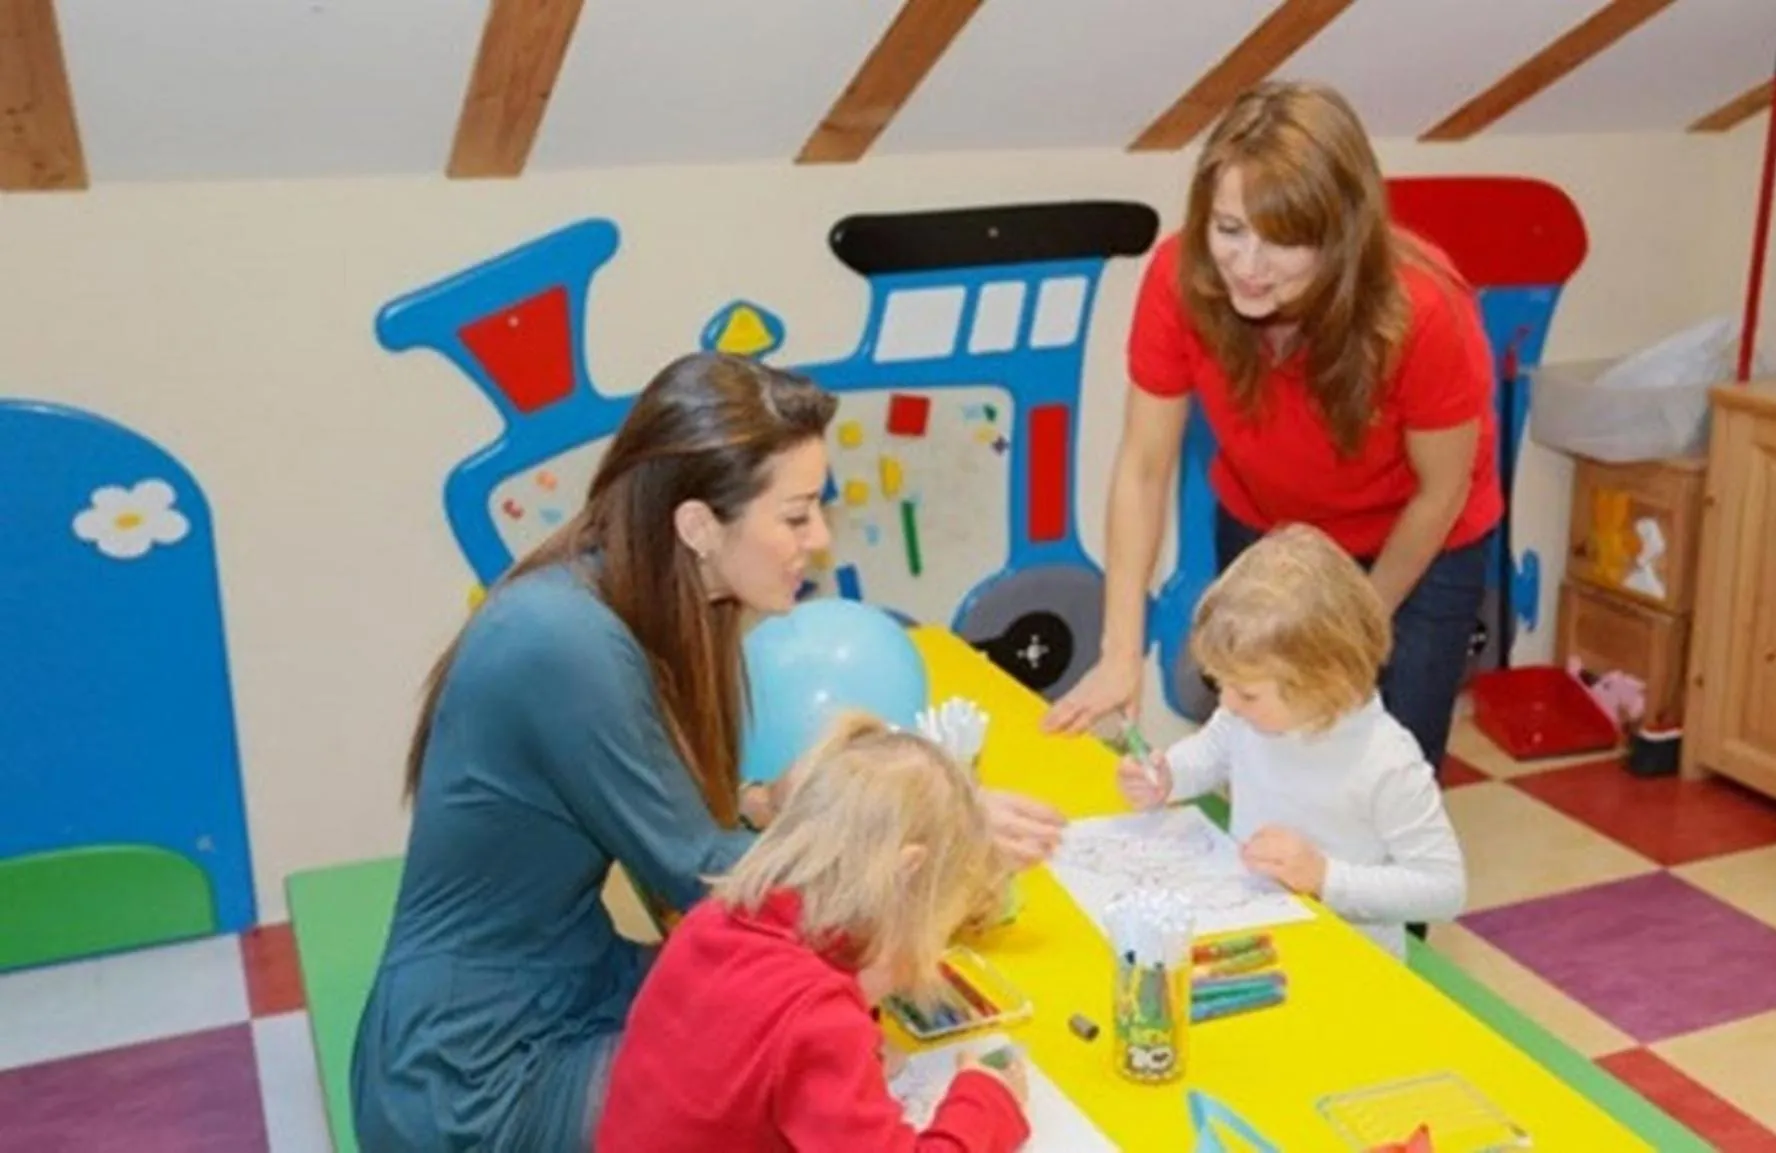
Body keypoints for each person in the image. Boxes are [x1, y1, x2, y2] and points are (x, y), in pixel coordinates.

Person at [348, 352, 1064, 1152]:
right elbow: (707, 881)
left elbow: (687, 824)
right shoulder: (565, 641)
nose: (818, 540)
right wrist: (926, 828)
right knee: (775, 1087)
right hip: (471, 1070)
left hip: (565, 985)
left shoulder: (643, 603)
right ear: (695, 524)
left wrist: (766, 800)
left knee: (821, 1050)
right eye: (794, 517)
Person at [1043, 79, 1500, 777]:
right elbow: (1141, 466)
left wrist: (1345, 631)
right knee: (1265, 757)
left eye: (1284, 243)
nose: (1248, 268)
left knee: (1385, 772)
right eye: (1229, 229)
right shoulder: (1178, 276)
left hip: (1416, 541)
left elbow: (1439, 492)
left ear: (1340, 237)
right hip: (1268, 527)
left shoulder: (1424, 310)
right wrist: (1117, 654)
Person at [595, 712, 1030, 1153]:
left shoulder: (714, 919)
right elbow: (804, 1030)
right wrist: (986, 1103)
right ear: (904, 875)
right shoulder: (818, 1018)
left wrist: (861, 1038)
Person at [1115, 524, 1466, 960]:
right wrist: (1167, 777)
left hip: (1349, 965)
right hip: (1256, 939)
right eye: (1220, 684)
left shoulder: (1386, 760)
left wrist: (1323, 878)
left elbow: (1444, 888)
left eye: (1245, 693)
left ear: (1320, 681)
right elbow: (1209, 755)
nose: (1227, 703)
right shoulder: (1246, 717)